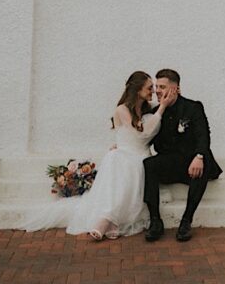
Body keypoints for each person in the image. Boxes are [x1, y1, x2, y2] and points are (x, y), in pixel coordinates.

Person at [22, 71, 175, 239]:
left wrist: (166, 100)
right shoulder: (122, 109)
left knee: (128, 166)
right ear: (138, 90)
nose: (153, 91)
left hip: (141, 156)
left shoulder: (149, 108)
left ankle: (109, 220)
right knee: (117, 161)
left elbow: (155, 120)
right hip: (124, 154)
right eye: (149, 87)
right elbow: (141, 132)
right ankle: (106, 219)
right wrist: (162, 108)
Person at [143, 68, 222, 242]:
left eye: (162, 87)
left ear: (176, 89)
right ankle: (155, 221)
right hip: (170, 162)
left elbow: (203, 135)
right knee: (149, 165)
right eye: (156, 86)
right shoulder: (156, 112)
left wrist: (199, 156)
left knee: (205, 161)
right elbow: (143, 136)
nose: (157, 90)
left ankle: (186, 221)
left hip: (191, 159)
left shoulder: (193, 107)